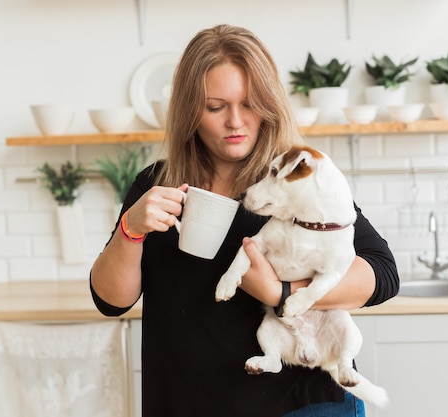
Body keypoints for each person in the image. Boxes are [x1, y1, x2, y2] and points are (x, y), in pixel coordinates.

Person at [90, 24, 399, 417]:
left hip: (301, 403)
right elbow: (110, 301)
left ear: (268, 104)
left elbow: (382, 273)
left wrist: (282, 293)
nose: (235, 121)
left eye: (249, 104)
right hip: (187, 402)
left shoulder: (293, 180)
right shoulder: (156, 185)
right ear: (190, 112)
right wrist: (130, 230)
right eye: (216, 107)